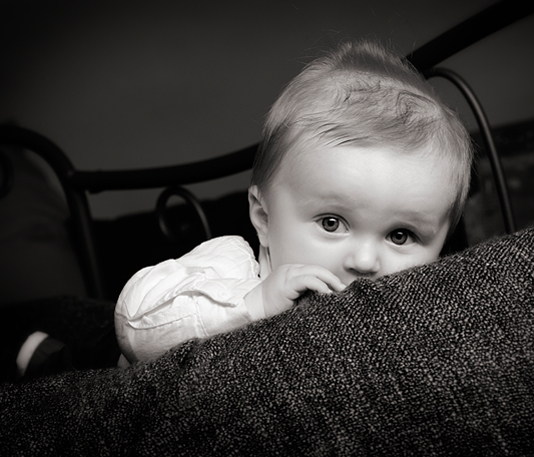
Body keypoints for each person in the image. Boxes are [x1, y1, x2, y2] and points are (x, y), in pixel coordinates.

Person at [114, 40, 473, 364]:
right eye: (331, 223)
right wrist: (253, 306)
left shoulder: (414, 316)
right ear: (264, 218)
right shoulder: (229, 269)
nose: (365, 261)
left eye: (400, 235)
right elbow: (135, 328)